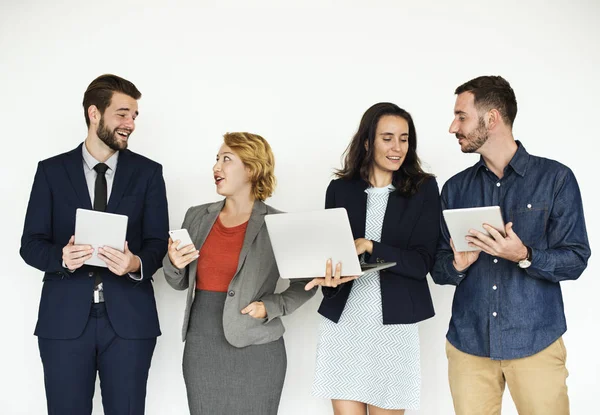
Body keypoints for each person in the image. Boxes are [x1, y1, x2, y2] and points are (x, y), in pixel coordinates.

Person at [431, 75, 591, 415]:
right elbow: (438, 267)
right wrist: (457, 264)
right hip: (468, 344)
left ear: (491, 119)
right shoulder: (455, 189)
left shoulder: (556, 179)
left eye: (461, 116)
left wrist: (525, 255)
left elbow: (576, 259)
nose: (452, 127)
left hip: (536, 342)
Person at [20, 74, 169, 414]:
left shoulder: (148, 173)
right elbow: (30, 244)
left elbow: (157, 242)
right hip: (64, 322)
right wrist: (61, 257)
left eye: (134, 115)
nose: (130, 123)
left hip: (130, 322)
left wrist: (136, 264)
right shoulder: (51, 172)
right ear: (94, 113)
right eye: (122, 113)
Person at [163, 132, 316, 415]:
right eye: (217, 159)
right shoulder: (197, 216)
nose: (216, 167)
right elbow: (177, 281)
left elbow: (307, 283)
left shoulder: (279, 223)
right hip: (202, 344)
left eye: (226, 159)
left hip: (257, 346)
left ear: (251, 168)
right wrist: (173, 263)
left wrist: (270, 307)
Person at [307, 102, 441, 415]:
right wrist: (328, 281)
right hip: (344, 325)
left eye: (404, 139)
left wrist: (370, 245)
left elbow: (423, 263)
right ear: (368, 142)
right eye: (388, 138)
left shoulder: (423, 189)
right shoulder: (340, 189)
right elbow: (333, 257)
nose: (398, 147)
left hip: (393, 329)